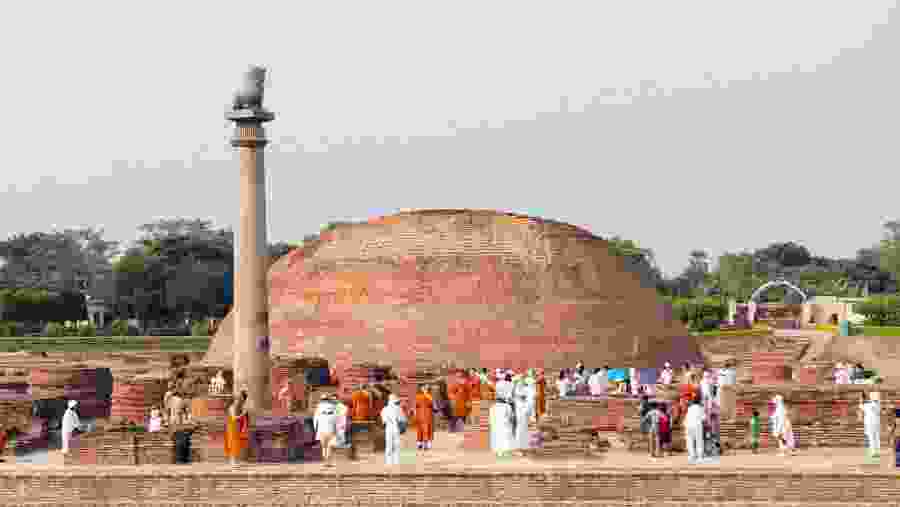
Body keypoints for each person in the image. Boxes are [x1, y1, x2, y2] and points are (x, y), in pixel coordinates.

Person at [490, 373, 516, 457]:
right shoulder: (511, 385)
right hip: (506, 408)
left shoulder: (498, 385)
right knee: (507, 431)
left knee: (497, 432)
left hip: (498, 408)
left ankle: (499, 450)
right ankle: (506, 450)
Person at [512, 374, 536, 457]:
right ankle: (518, 448)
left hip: (523, 415)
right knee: (520, 430)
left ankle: (522, 448)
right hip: (520, 415)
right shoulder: (517, 392)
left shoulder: (525, 391)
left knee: (523, 430)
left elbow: (529, 403)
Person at [381, 394, 407, 465]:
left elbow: (383, 421)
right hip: (396, 427)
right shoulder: (398, 409)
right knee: (396, 444)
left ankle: (388, 461)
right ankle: (396, 461)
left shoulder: (384, 409)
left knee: (388, 444)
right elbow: (403, 419)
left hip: (388, 428)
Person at [314, 394, 340, 467]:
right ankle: (328, 462)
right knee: (329, 446)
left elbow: (315, 420)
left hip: (321, 428)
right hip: (330, 428)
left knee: (323, 446)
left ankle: (325, 462)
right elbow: (336, 418)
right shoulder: (333, 407)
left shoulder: (318, 407)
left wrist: (316, 428)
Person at [224, 391, 249, 465]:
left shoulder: (240, 406)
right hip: (232, 427)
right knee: (232, 443)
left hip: (237, 427)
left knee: (237, 443)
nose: (239, 401)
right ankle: (232, 460)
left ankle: (235, 460)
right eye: (238, 399)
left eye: (241, 399)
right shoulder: (232, 407)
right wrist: (243, 414)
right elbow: (234, 418)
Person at [415, 384, 435, 450]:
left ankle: (426, 444)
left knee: (427, 429)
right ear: (421, 388)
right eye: (423, 388)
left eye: (426, 388)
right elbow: (415, 406)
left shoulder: (430, 396)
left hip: (428, 415)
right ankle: (420, 444)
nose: (425, 389)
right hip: (420, 415)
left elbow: (433, 405)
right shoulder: (418, 396)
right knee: (420, 430)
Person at [685, 398, 705, 464]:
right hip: (697, 425)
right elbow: (704, 418)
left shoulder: (689, 408)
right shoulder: (700, 408)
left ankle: (691, 456)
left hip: (688, 425)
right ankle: (699, 457)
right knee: (699, 440)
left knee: (690, 441)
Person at [862, 390, 882, 459]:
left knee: (872, 438)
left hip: (870, 423)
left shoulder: (867, 404)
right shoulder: (878, 404)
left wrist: (863, 398)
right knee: (876, 437)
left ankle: (874, 452)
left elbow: (862, 406)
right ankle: (877, 451)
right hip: (876, 423)